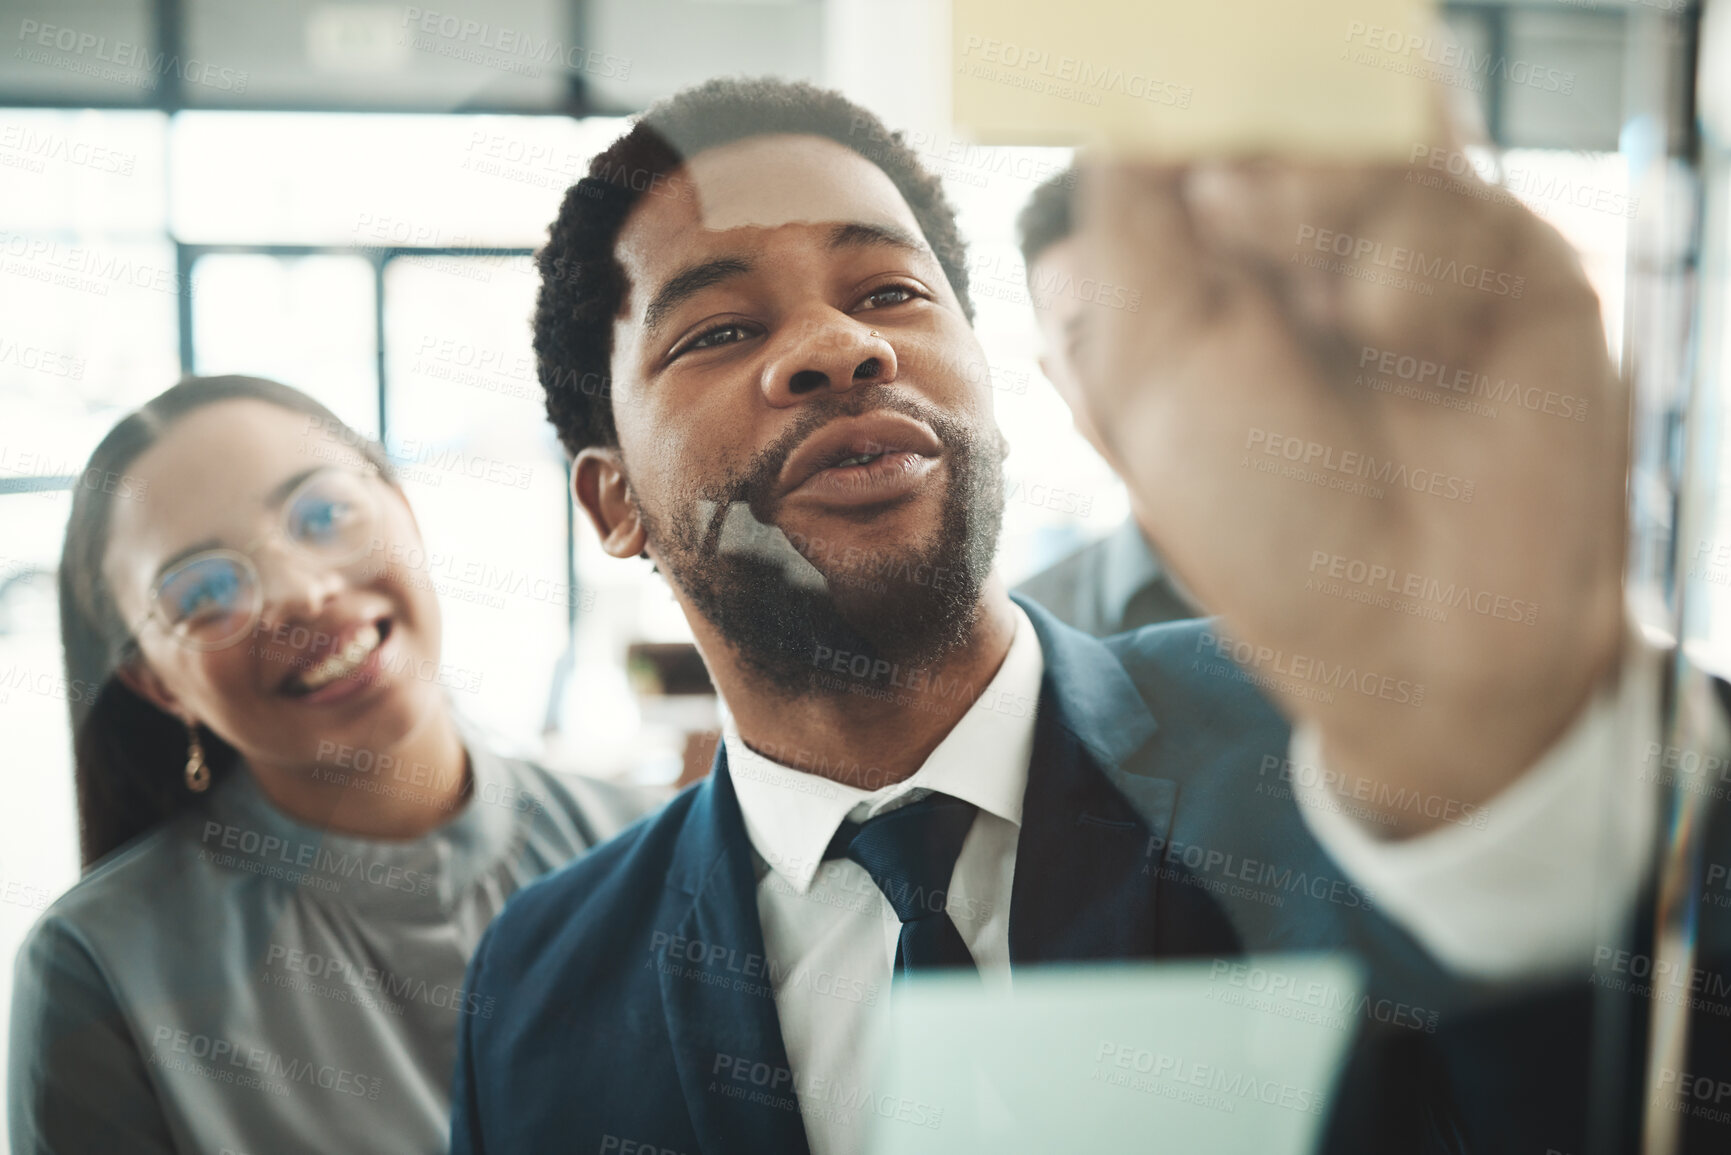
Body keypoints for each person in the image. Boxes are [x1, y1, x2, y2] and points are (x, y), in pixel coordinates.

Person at [449, 77, 1671, 1154]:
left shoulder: (1340, 752)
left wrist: (1515, 775)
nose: (840, 346)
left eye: (889, 291)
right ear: (614, 501)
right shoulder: (541, 985)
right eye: (720, 329)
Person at [7, 376, 662, 1155]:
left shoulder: (660, 854)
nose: (303, 593)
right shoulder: (100, 970)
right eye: (206, 588)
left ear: (403, 510)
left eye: (322, 515)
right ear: (155, 681)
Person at [1010, 169, 1198, 636]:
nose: (1135, 374)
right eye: (1090, 343)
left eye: (1168, 318)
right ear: (1056, 382)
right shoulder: (1031, 648)